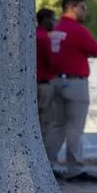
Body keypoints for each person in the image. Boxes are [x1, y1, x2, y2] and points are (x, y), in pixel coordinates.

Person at [46, 0, 97, 183]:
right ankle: (75, 168)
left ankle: (49, 164)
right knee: (74, 128)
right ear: (73, 6)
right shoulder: (77, 30)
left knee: (56, 126)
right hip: (75, 83)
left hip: (55, 81)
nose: (85, 12)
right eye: (83, 8)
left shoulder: (55, 29)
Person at [35, 8, 56, 152]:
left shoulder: (32, 35)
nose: (54, 23)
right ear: (45, 20)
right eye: (53, 19)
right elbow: (51, 62)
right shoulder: (44, 38)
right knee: (45, 122)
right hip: (43, 84)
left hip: (32, 84)